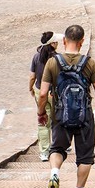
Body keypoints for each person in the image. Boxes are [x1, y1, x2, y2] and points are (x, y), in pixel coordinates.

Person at [36, 25, 95, 188]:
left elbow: (42, 93)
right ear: (82, 41)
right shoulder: (89, 63)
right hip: (84, 115)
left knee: (57, 148)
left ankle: (55, 173)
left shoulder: (53, 62)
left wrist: (41, 112)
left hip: (60, 114)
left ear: (64, 41)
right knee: (85, 156)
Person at [28, 32, 61, 162]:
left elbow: (32, 76)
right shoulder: (57, 58)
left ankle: (44, 152)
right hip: (54, 93)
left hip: (40, 92)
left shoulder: (36, 57)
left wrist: (30, 88)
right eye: (56, 42)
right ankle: (60, 146)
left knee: (43, 120)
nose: (57, 43)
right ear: (52, 43)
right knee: (57, 119)